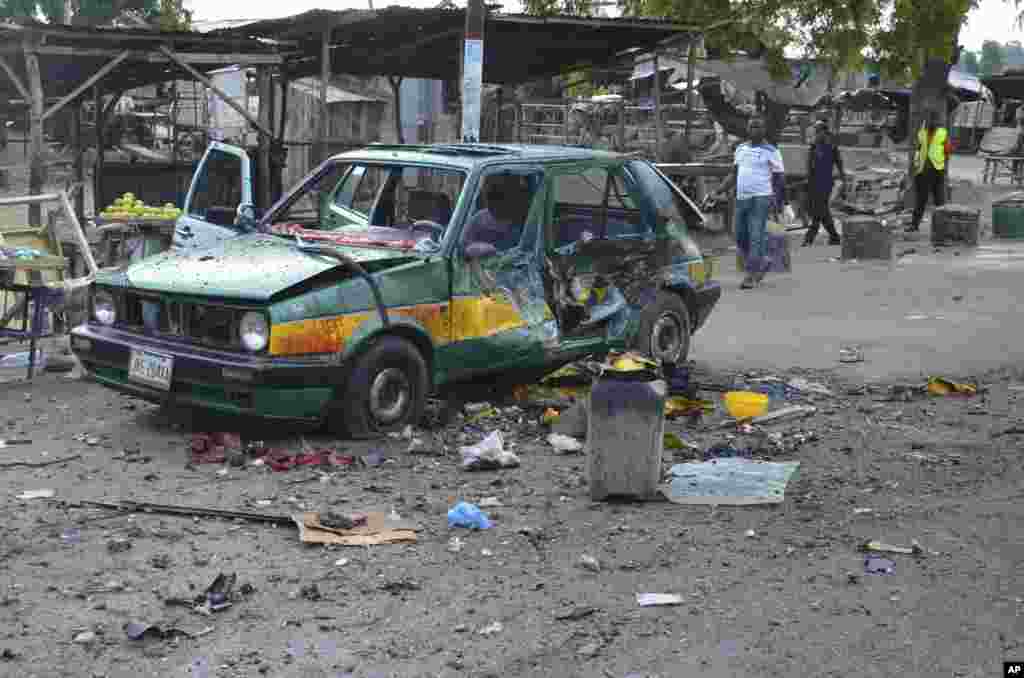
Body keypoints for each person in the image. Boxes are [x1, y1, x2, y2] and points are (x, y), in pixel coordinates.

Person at [714, 116, 786, 290]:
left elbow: (779, 177)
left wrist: (777, 199)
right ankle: (762, 261)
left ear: (763, 130)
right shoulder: (740, 149)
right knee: (739, 236)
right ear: (747, 129)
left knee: (755, 236)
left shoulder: (771, 150)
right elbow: (734, 173)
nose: (754, 130)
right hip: (742, 198)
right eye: (752, 127)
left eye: (758, 127)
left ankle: (751, 275)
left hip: (761, 198)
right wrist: (719, 190)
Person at [907, 110, 953, 233]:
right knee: (921, 200)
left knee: (939, 200)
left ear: (938, 122)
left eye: (934, 120)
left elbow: (948, 151)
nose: (932, 123)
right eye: (930, 121)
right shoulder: (921, 134)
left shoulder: (943, 134)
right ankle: (914, 225)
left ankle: (941, 227)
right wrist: (916, 165)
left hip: (936, 171)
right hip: (922, 171)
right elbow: (918, 149)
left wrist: (941, 164)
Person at [803, 120, 845, 246]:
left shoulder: (832, 147)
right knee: (820, 211)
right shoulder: (813, 146)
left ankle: (809, 238)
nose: (817, 134)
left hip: (826, 183)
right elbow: (809, 166)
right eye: (816, 131)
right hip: (814, 183)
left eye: (818, 131)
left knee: (820, 210)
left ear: (824, 132)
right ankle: (834, 237)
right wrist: (808, 181)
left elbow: (839, 164)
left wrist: (843, 179)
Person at [461, 175, 529, 252]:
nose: (491, 206)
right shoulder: (479, 219)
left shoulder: (523, 223)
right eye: (489, 201)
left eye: (498, 200)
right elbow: (463, 247)